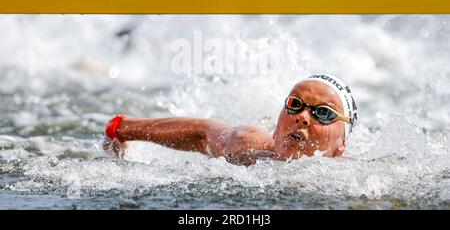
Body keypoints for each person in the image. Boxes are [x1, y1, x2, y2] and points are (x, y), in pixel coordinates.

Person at [103, 74, 358, 166]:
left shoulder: (358, 180)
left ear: (341, 145)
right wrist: (123, 129)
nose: (302, 117)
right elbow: (203, 132)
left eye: (323, 113)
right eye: (295, 105)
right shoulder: (249, 147)